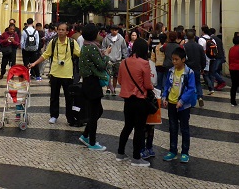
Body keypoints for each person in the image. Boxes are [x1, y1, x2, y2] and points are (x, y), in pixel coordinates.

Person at [28, 21, 81, 125]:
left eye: (63, 30)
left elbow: (80, 54)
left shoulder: (71, 43)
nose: (60, 31)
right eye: (59, 29)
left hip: (67, 74)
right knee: (54, 96)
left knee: (69, 98)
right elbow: (46, 55)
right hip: (55, 73)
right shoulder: (53, 42)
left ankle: (70, 117)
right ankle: (53, 116)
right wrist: (34, 63)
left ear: (67, 31)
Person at [116, 38, 154, 167]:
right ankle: (136, 157)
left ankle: (120, 153)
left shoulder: (124, 62)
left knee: (127, 126)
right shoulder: (144, 63)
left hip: (128, 100)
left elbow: (120, 81)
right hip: (140, 100)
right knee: (139, 128)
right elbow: (148, 84)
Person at [78, 23, 112, 152]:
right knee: (94, 113)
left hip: (88, 82)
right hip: (92, 83)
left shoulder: (86, 47)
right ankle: (92, 142)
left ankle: (86, 135)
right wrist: (107, 54)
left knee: (98, 111)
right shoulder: (92, 48)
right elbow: (102, 66)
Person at [161, 47, 197, 163]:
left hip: (183, 106)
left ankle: (185, 152)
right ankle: (172, 150)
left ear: (183, 59)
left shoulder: (189, 72)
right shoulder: (171, 71)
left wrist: (182, 100)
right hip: (172, 103)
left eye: (176, 59)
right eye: (173, 59)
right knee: (172, 127)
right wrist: (164, 96)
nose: (174, 62)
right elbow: (167, 85)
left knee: (184, 128)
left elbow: (191, 89)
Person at [102, 25, 129, 96]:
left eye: (116, 30)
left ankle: (113, 88)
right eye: (113, 30)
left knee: (115, 75)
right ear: (110, 30)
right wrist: (105, 54)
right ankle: (108, 88)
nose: (114, 31)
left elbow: (124, 48)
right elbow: (103, 47)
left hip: (118, 59)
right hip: (109, 59)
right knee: (108, 74)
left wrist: (125, 57)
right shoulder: (106, 38)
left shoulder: (121, 38)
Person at [183, 29, 206, 108]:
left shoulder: (184, 46)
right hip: (196, 67)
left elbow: (183, 58)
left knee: (187, 83)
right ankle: (200, 96)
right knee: (197, 83)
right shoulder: (199, 47)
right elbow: (203, 58)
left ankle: (188, 98)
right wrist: (203, 67)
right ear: (194, 37)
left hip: (187, 67)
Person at [198, 26, 215, 95]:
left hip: (205, 58)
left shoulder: (201, 39)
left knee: (205, 74)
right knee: (211, 73)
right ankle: (212, 87)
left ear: (203, 31)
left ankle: (211, 88)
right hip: (212, 58)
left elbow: (201, 50)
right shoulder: (212, 39)